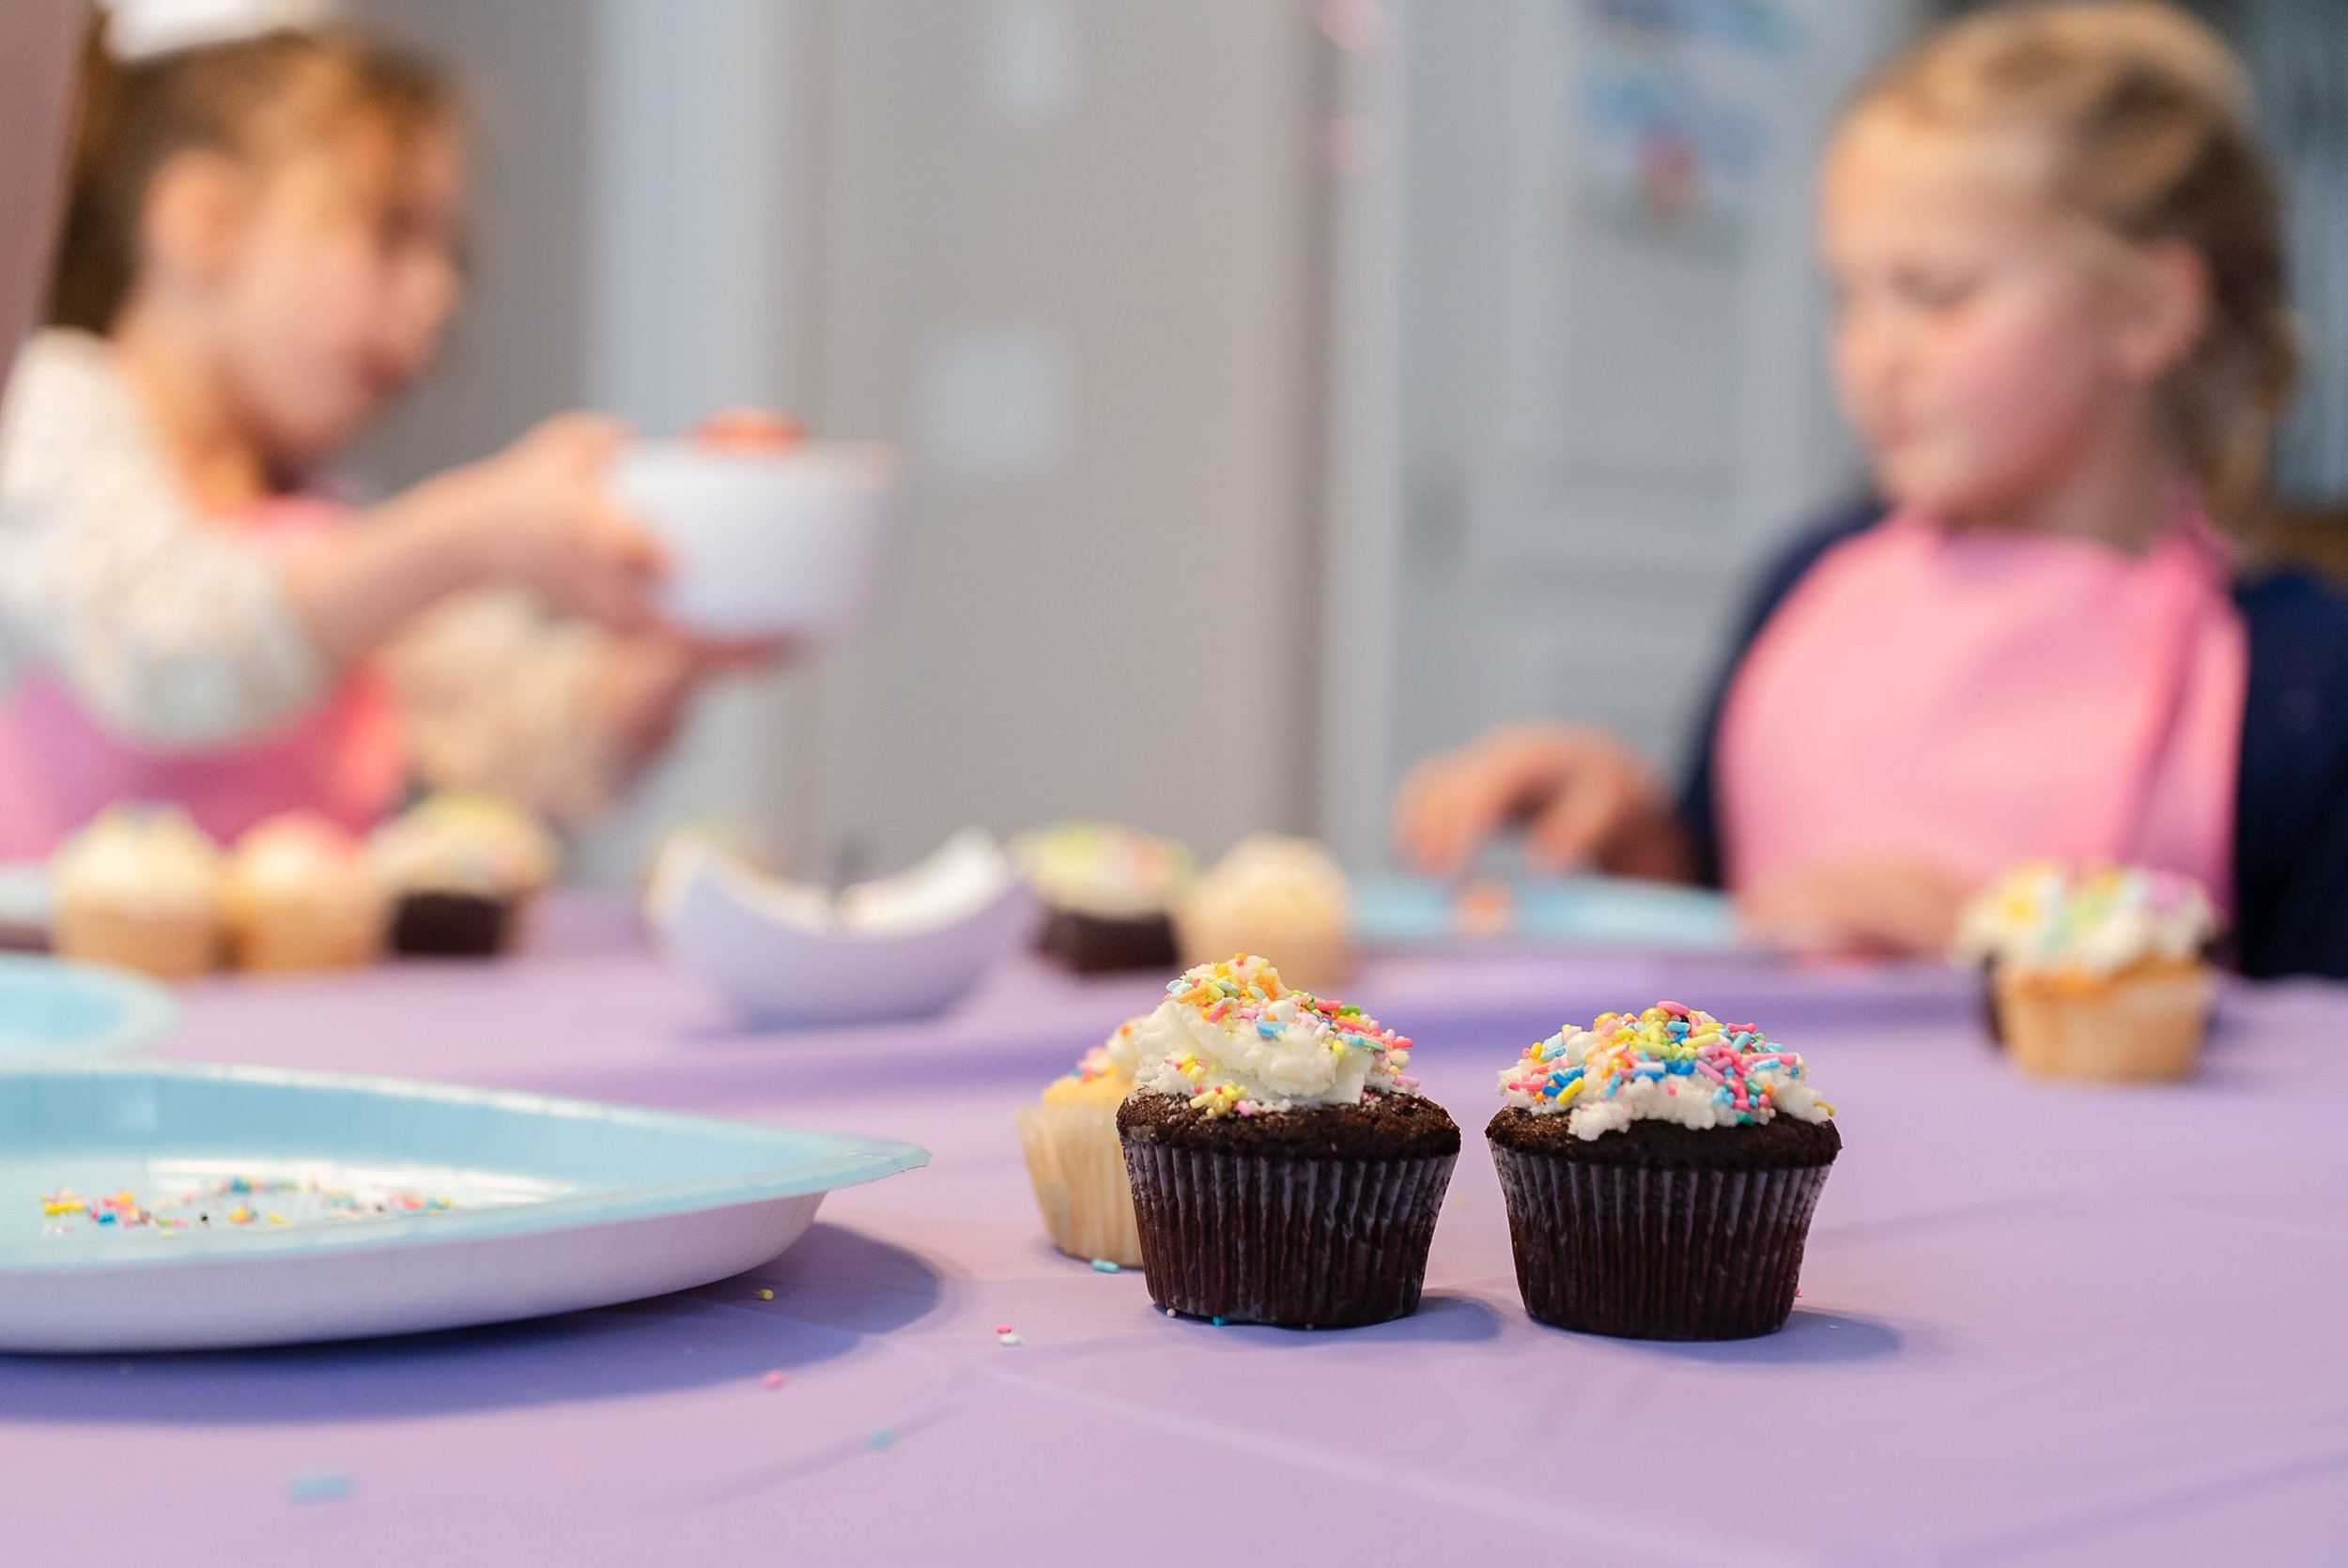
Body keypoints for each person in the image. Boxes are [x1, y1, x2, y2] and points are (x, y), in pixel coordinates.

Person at [1394, 1, 2348, 978]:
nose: (1870, 355)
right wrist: (1636, 843)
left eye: (1935, 293)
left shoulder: (2300, 679)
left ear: (2144, 310)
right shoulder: (1807, 582)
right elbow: (1737, 901)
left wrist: (1994, 945)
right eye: (1847, 295)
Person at [0, 21, 771, 854]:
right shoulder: (51, 411)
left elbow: (515, 734)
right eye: (391, 231)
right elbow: (172, 650)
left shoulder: (317, 512)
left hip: (297, 988)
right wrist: (467, 532)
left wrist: (674, 649)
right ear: (204, 223)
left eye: (452, 256)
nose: (438, 296)